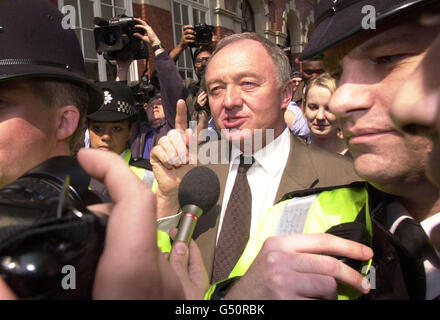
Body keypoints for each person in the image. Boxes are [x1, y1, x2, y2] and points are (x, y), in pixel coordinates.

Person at [151, 32, 360, 287]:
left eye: (248, 83)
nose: (229, 101)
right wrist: (169, 201)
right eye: (216, 89)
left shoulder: (347, 180)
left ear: (286, 94)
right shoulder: (193, 170)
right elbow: (155, 277)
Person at [88, 81, 154, 186]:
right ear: (88, 130)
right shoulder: (73, 176)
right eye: (97, 128)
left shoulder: (150, 177)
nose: (106, 136)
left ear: (130, 131)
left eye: (116, 129)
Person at [303, 73, 348, 155]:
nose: (320, 117)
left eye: (329, 109)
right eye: (313, 107)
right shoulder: (293, 157)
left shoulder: (357, 160)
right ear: (304, 109)